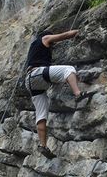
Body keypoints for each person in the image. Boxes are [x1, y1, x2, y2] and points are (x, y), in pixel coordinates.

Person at [24, 29, 93, 159]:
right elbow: (64, 35)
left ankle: (43, 146)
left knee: (41, 113)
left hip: (30, 82)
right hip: (37, 74)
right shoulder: (44, 39)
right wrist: (77, 32)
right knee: (68, 69)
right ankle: (78, 94)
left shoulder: (33, 48)